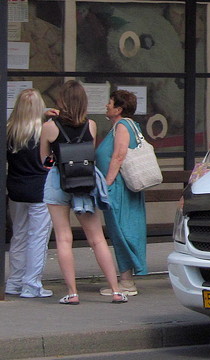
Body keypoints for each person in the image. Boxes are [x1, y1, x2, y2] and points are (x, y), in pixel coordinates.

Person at [40, 79, 126, 305]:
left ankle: (72, 292)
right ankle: (116, 290)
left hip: (59, 180)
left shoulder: (49, 127)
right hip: (85, 181)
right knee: (97, 238)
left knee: (64, 238)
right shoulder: (91, 125)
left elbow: (44, 159)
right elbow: (91, 152)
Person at [96, 89, 147, 297]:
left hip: (118, 187)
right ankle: (126, 278)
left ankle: (126, 281)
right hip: (120, 186)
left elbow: (119, 156)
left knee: (121, 229)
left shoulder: (123, 126)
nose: (106, 106)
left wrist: (107, 184)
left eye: (110, 103)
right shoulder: (122, 125)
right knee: (123, 228)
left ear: (119, 109)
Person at [5, 88, 55, 299]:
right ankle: (31, 284)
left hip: (15, 190)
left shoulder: (9, 130)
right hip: (40, 191)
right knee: (38, 238)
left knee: (19, 235)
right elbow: (49, 161)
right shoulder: (45, 130)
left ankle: (14, 282)